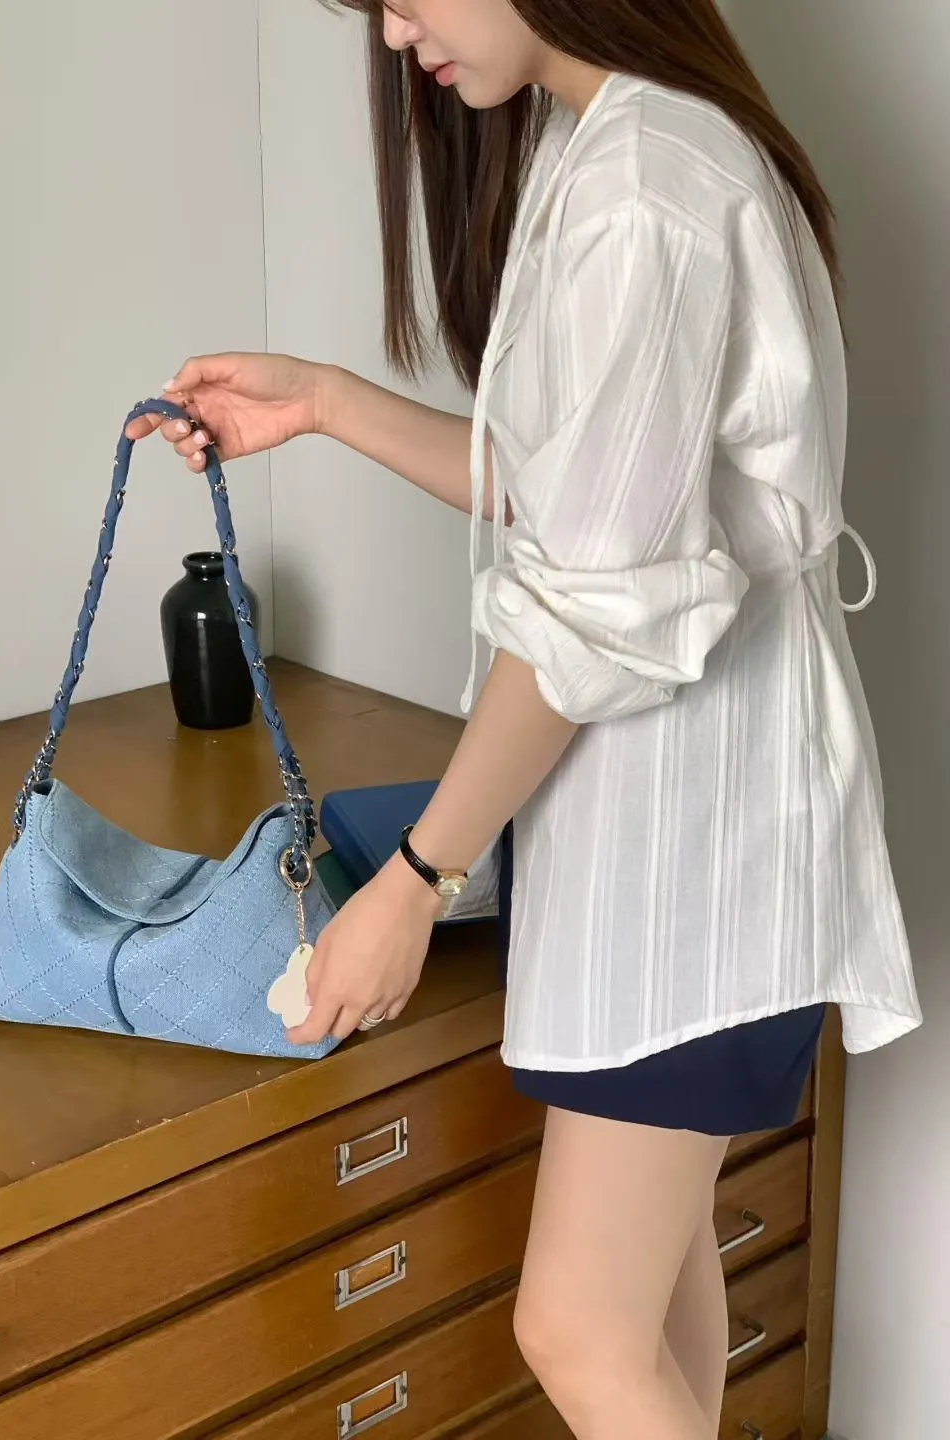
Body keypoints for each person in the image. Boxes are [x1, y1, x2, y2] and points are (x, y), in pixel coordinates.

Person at [128, 2, 922, 1435]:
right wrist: (323, 403)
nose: (394, 34)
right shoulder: (601, 143)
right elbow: (582, 496)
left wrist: (417, 878)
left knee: (576, 1327)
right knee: (655, 1305)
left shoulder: (649, 183)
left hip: (697, 857)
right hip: (657, 849)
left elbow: (595, 603)